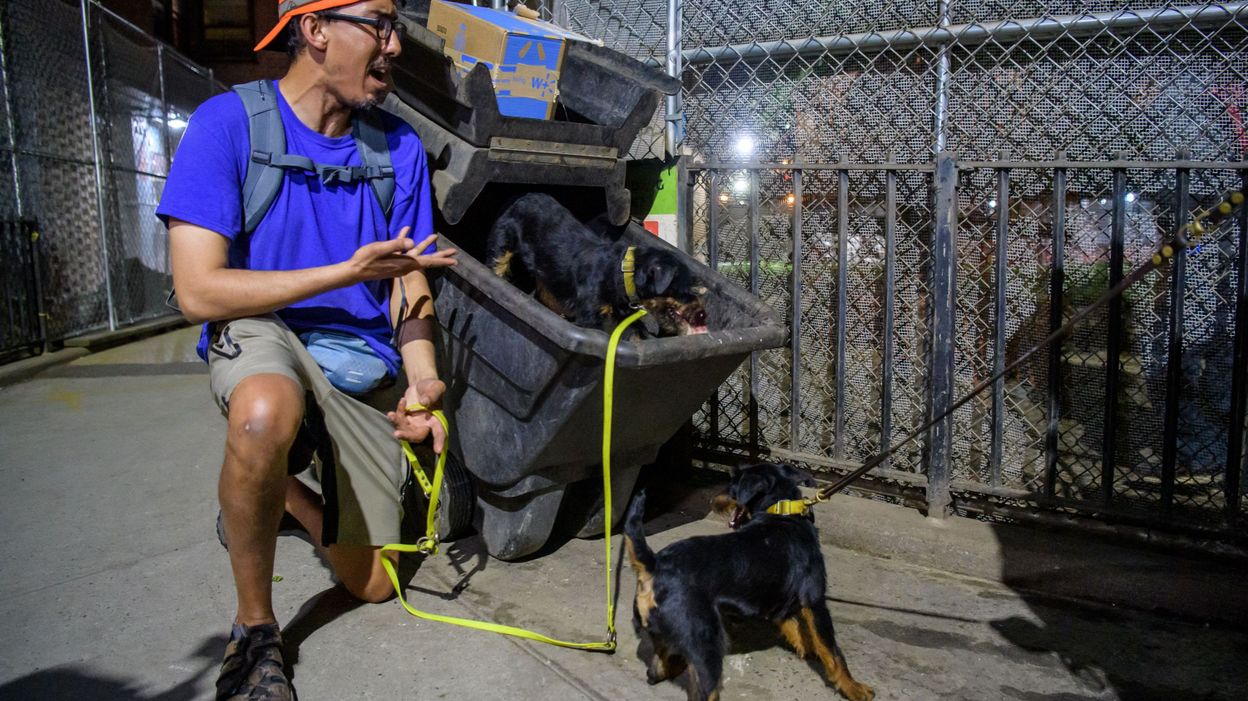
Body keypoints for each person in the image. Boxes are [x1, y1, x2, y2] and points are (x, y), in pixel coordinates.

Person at [156, 1, 457, 698]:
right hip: (268, 329)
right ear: (317, 30)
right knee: (264, 410)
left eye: (396, 30)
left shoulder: (396, 148)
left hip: (358, 356)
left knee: (377, 584)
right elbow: (199, 289)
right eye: (378, 24)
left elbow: (408, 275)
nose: (394, 46)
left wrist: (422, 379)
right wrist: (344, 272)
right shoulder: (227, 125)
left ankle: (278, 492)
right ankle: (256, 631)